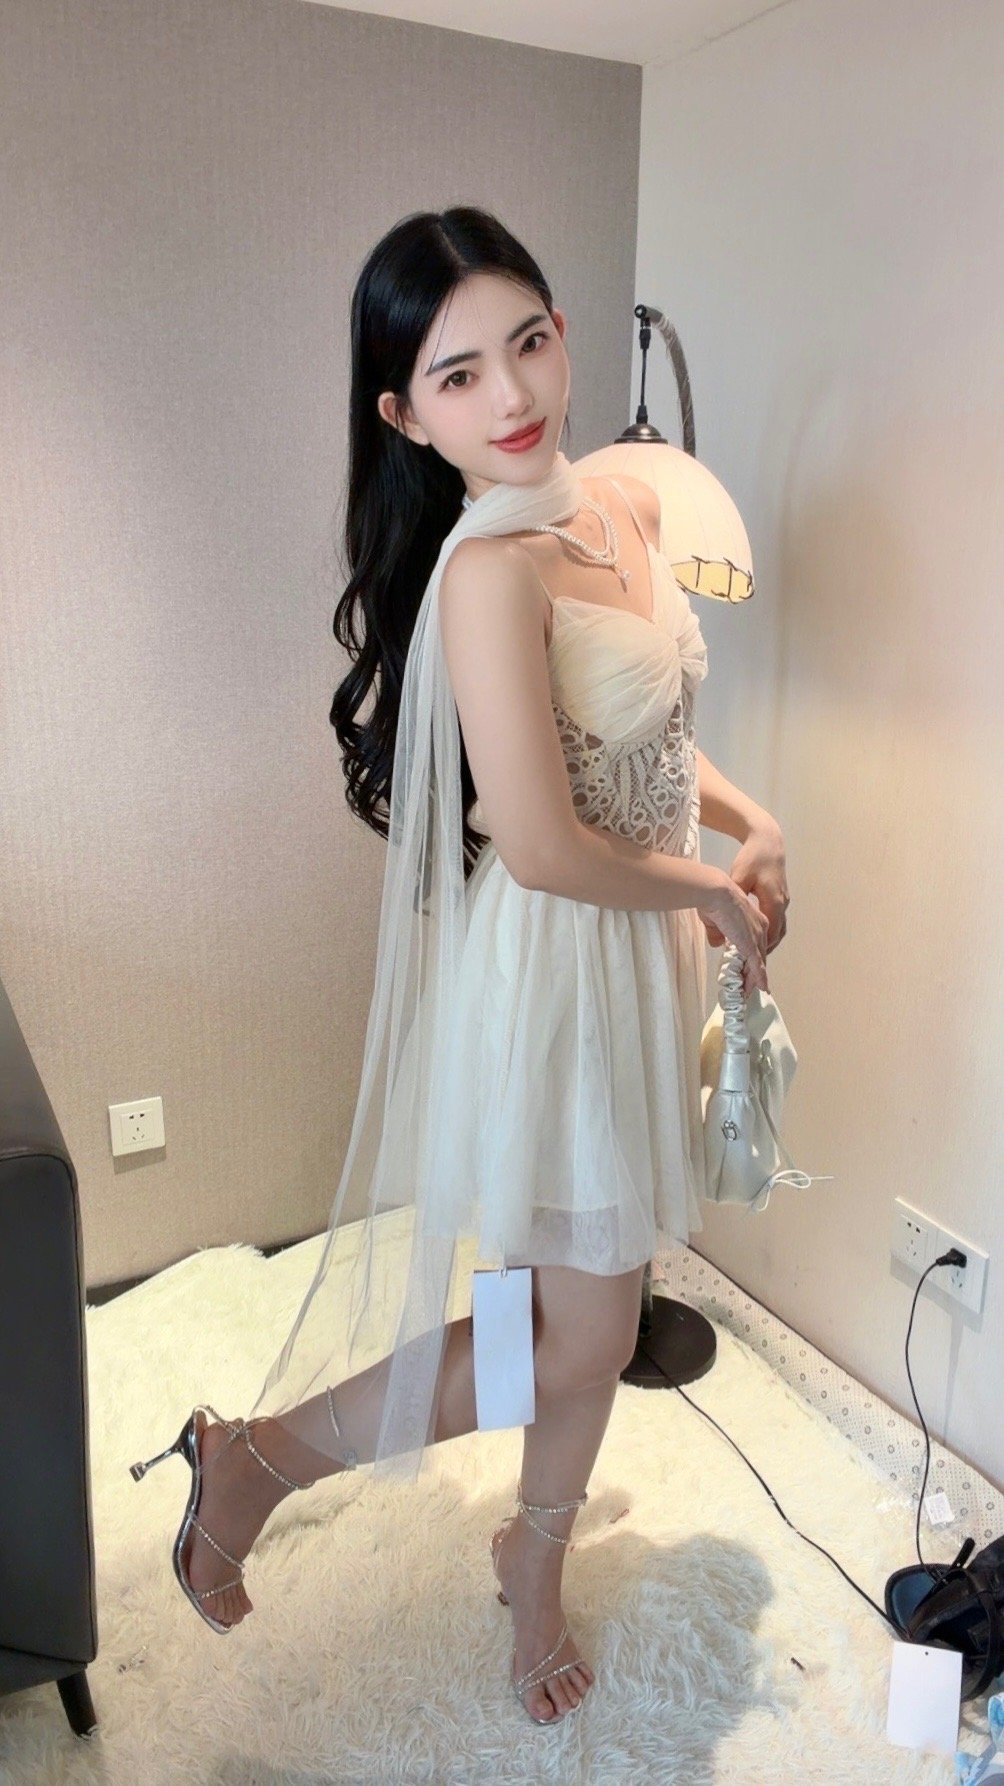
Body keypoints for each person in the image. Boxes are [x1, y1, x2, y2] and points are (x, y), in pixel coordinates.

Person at [130, 206, 787, 1725]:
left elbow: (653, 739)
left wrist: (752, 822)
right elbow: (544, 846)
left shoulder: (622, 499)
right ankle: (276, 1465)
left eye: (531, 341)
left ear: (564, 331)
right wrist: (715, 891)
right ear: (404, 414)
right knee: (585, 1330)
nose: (512, 393)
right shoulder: (486, 576)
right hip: (564, 972)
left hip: (636, 950)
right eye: (458, 373)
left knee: (580, 1323)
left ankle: (481, 1532)